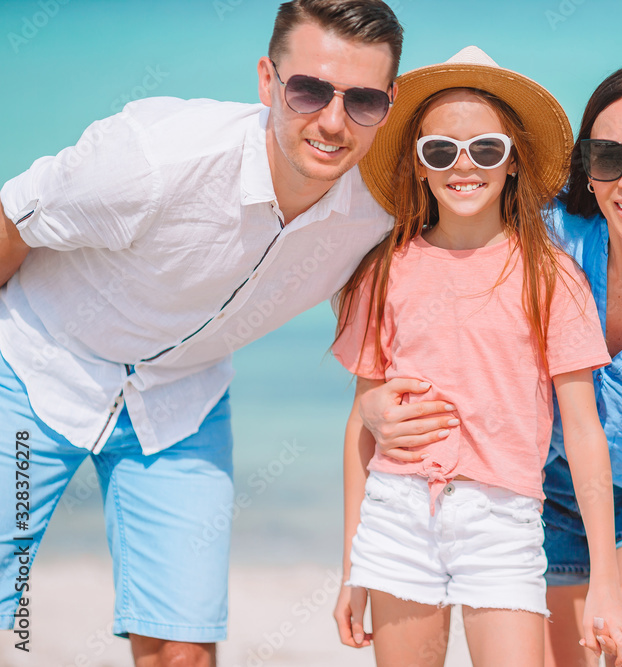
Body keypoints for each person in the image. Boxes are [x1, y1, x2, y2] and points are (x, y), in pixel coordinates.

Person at [0, 1, 402, 665]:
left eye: (362, 100)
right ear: (269, 82)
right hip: (36, 367)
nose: (333, 122)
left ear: (388, 106)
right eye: (308, 90)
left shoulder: (377, 208)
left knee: (181, 649)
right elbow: (14, 223)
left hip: (180, 400)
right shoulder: (153, 158)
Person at [357, 61, 622, 667]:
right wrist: (374, 406)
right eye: (609, 158)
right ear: (587, 169)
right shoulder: (546, 243)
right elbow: (442, 311)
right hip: (545, 493)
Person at [330, 47, 622, 667]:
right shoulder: (384, 270)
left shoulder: (552, 278)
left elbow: (583, 431)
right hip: (397, 513)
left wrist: (605, 575)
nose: (462, 166)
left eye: (486, 150)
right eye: (439, 151)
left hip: (503, 520)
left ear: (514, 161)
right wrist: (352, 565)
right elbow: (362, 422)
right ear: (419, 167)